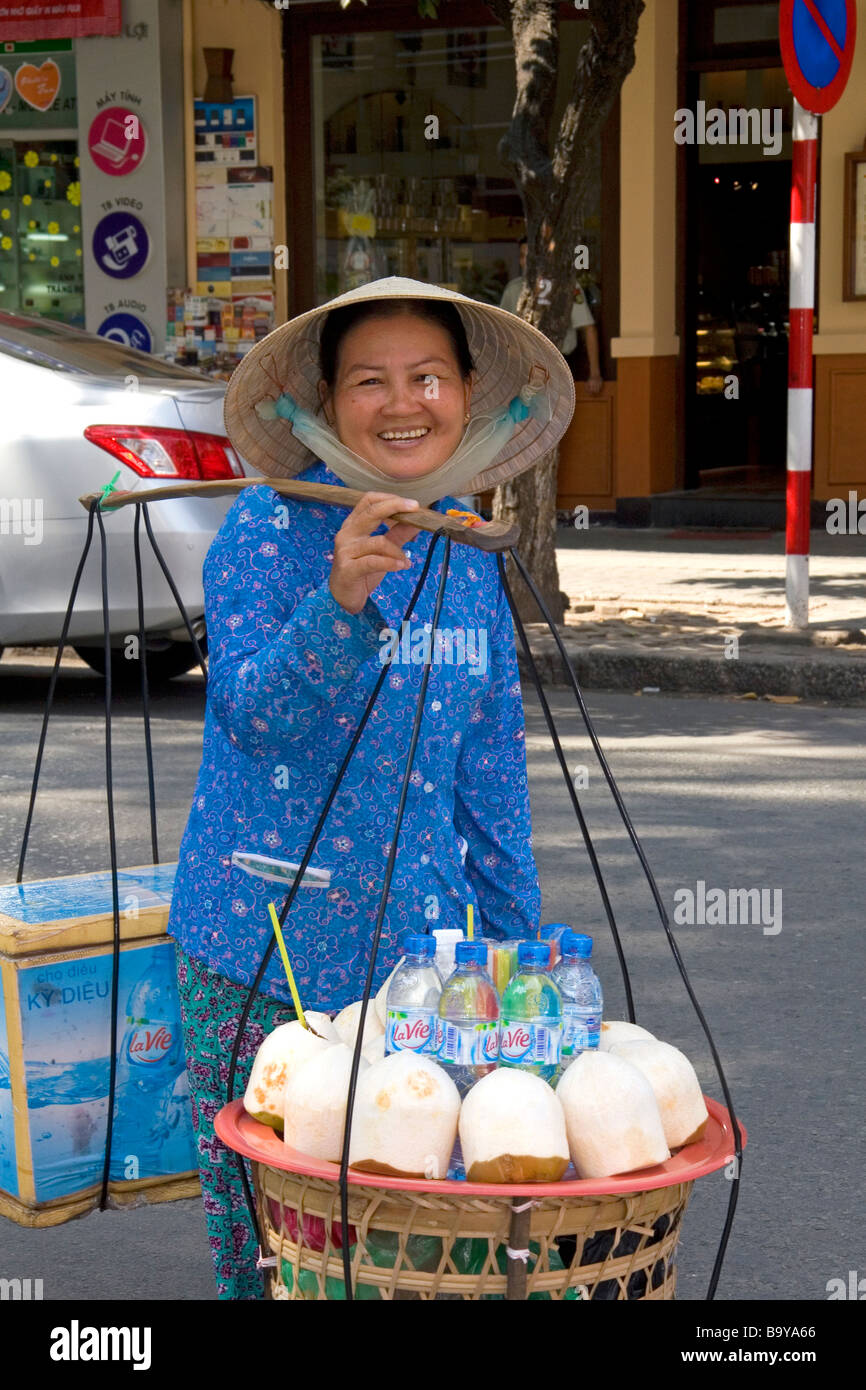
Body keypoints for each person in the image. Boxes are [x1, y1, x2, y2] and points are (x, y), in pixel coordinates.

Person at [166, 276, 575, 1298]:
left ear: (466, 391)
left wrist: (521, 962)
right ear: (323, 401)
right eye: (369, 381)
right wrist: (339, 601)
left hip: (421, 973)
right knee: (279, 1251)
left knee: (413, 1248)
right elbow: (251, 720)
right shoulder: (265, 535)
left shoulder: (464, 549)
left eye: (426, 377)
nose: (402, 404)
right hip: (265, 957)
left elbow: (488, 779)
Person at [500, 237, 603, 395]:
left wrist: (595, 374)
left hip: (560, 365)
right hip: (522, 368)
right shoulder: (513, 290)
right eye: (523, 256)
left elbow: (588, 329)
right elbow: (502, 333)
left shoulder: (567, 288)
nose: (527, 262)